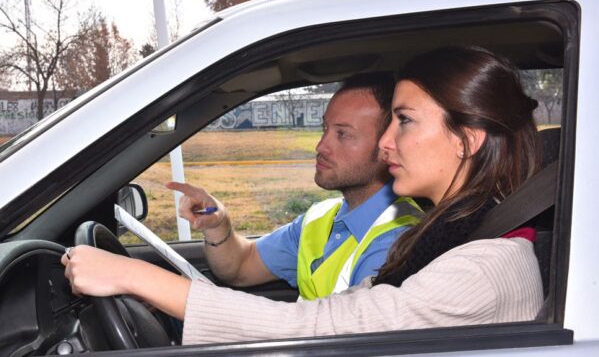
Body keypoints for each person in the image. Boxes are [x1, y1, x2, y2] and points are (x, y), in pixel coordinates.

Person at [62, 46, 545, 345]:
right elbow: (326, 315)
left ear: (466, 139)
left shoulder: (478, 267)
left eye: (405, 121)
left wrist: (136, 276)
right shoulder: (438, 239)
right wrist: (218, 228)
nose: (386, 143)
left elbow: (320, 329)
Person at [165, 73, 423, 301]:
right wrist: (217, 224)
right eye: (325, 128)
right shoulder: (322, 218)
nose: (321, 146)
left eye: (343, 134)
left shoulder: (397, 244)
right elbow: (241, 266)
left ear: (389, 145)